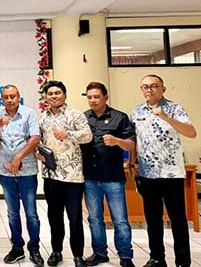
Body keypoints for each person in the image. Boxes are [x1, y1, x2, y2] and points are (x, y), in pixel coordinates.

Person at [131, 75, 197, 267]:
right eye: (145, 87)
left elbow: (191, 132)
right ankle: (157, 258)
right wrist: (133, 165)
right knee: (153, 220)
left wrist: (166, 117)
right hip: (147, 174)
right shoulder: (136, 111)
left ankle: (183, 261)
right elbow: (134, 140)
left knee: (178, 220)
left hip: (171, 174)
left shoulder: (175, 108)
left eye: (153, 86)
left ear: (163, 89)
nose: (149, 90)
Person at [37, 81, 92, 267]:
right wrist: (37, 152)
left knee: (75, 218)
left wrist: (68, 134)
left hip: (72, 176)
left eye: (57, 93)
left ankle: (78, 255)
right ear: (46, 97)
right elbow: (39, 141)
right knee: (54, 217)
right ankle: (56, 251)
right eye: (50, 93)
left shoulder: (75, 114)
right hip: (51, 175)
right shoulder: (42, 118)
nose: (53, 96)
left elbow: (88, 136)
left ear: (65, 95)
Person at [81, 82, 136, 267]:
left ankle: (125, 256)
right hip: (90, 177)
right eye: (89, 97)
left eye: (96, 97)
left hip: (113, 177)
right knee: (95, 219)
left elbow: (131, 144)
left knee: (120, 220)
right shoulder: (83, 118)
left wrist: (117, 141)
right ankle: (99, 253)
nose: (93, 100)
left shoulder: (119, 117)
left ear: (105, 97)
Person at [0, 85, 43, 266]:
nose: (10, 100)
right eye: (6, 97)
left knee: (31, 213)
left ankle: (34, 248)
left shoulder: (29, 114)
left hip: (27, 170)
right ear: (2, 100)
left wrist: (18, 158)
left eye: (12, 96)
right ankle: (17, 248)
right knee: (12, 213)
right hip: (6, 172)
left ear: (19, 97)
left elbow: (35, 138)